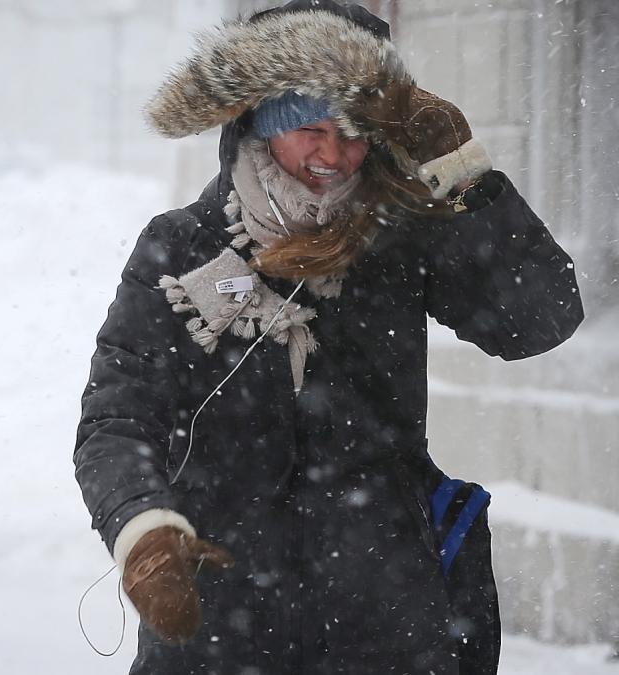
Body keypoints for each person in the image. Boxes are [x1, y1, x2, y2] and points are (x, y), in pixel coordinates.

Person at [73, 2, 583, 673]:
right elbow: (117, 418)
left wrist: (462, 172)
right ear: (258, 122)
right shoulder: (182, 247)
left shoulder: (401, 238)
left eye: (352, 133)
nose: (334, 155)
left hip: (386, 619)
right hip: (221, 623)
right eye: (309, 128)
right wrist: (142, 528)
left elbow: (539, 319)